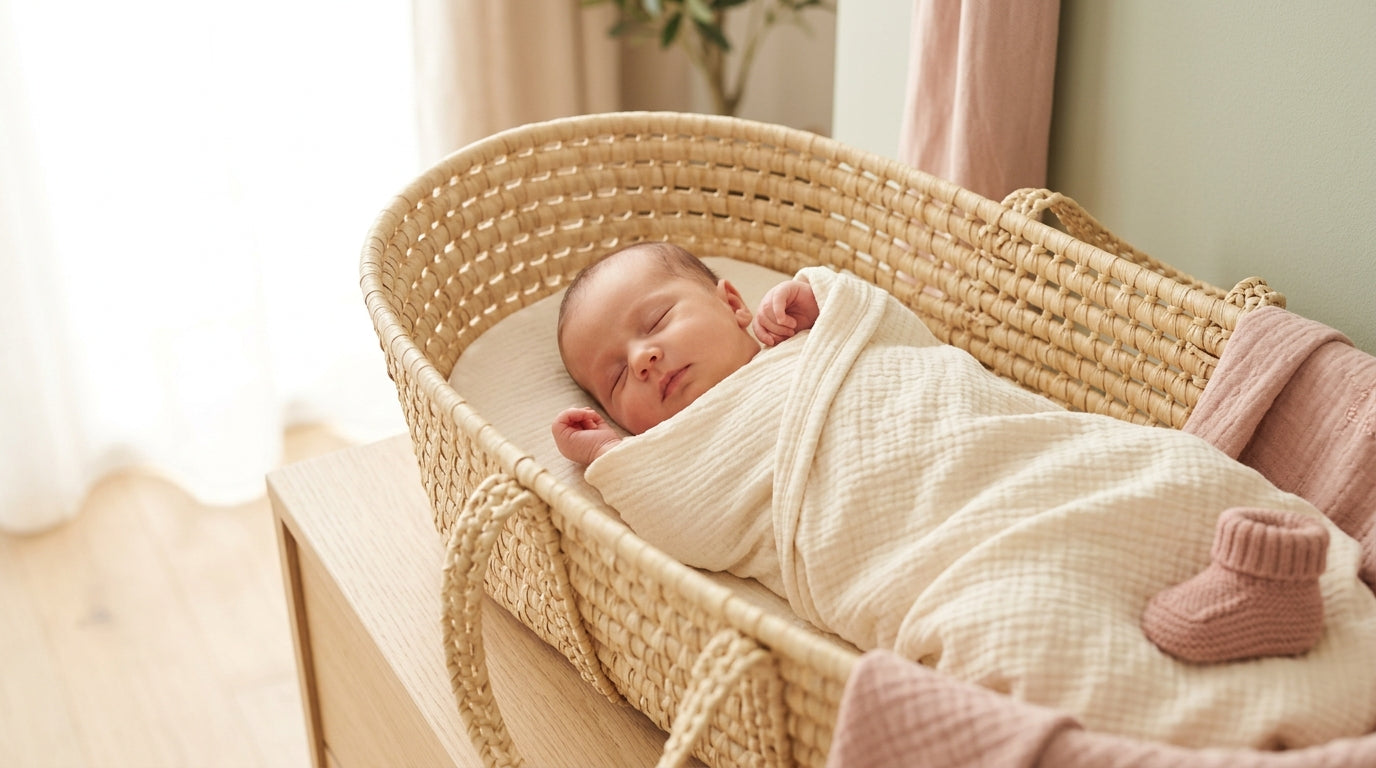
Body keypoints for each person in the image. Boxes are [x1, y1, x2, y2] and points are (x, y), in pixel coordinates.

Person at [553, 241, 816, 464]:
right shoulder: (671, 458)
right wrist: (606, 453)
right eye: (618, 377)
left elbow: (853, 329)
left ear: (732, 304)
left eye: (657, 320)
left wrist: (818, 304)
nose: (640, 360)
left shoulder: (797, 343)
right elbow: (655, 506)